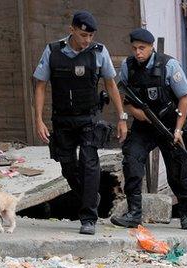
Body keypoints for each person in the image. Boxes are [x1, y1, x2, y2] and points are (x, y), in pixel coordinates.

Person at [33, 10, 127, 235]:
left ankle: (88, 218)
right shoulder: (53, 51)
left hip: (89, 118)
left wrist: (122, 116)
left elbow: (111, 84)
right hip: (62, 119)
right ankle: (90, 195)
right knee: (67, 166)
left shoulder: (99, 52)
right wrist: (38, 120)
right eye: (83, 35)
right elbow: (39, 85)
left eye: (91, 36)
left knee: (89, 162)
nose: (87, 40)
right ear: (72, 30)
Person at [110, 28, 187, 230]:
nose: (138, 53)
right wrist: (134, 112)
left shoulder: (169, 65)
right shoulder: (128, 66)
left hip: (169, 124)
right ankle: (134, 213)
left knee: (178, 172)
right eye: (134, 48)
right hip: (144, 127)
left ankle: (185, 214)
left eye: (142, 48)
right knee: (131, 160)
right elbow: (123, 98)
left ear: (151, 47)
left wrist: (178, 130)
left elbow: (184, 97)